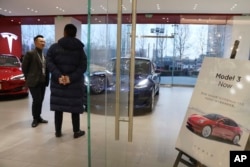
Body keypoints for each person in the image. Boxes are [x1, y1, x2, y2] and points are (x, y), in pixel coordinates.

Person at [46, 24, 87, 138]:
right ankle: (76, 131)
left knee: (58, 108)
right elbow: (83, 67)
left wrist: (59, 76)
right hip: (74, 84)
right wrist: (70, 77)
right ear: (75, 34)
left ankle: (58, 132)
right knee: (75, 109)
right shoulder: (80, 49)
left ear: (64, 32)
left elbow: (49, 62)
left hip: (58, 83)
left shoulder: (54, 48)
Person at [22, 35, 49, 128]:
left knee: (40, 100)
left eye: (44, 41)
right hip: (34, 82)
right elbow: (24, 68)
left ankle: (39, 117)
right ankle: (35, 118)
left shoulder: (44, 55)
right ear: (35, 43)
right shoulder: (30, 53)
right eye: (41, 41)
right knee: (36, 100)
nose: (43, 43)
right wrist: (28, 78)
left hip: (42, 81)